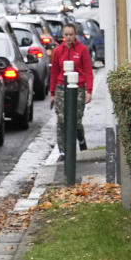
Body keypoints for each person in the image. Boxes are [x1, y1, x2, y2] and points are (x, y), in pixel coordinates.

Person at [49, 22, 94, 160]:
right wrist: (52, 94)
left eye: (71, 35)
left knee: (76, 120)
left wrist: (89, 90)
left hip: (78, 88)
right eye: (66, 35)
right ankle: (62, 152)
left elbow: (88, 71)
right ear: (63, 35)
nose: (68, 37)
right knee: (61, 119)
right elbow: (54, 72)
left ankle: (81, 140)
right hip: (62, 87)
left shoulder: (82, 50)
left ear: (75, 35)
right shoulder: (58, 51)